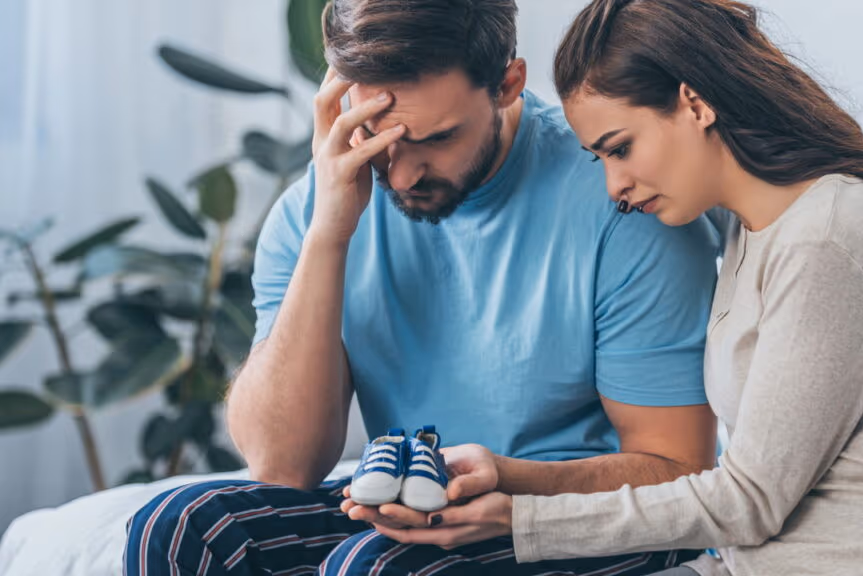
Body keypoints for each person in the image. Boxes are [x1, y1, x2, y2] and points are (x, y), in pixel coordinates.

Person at [362, 1, 863, 575]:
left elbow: (748, 502)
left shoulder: (829, 238)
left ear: (694, 103)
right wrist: (505, 478)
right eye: (598, 159)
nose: (612, 186)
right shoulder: (750, 235)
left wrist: (519, 519)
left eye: (620, 148)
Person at [122, 0, 722, 574]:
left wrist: (508, 483)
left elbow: (677, 469)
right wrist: (330, 231)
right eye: (380, 141)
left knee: (376, 568)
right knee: (177, 527)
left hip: (570, 513)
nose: (402, 174)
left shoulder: (623, 199)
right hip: (410, 510)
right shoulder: (318, 207)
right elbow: (283, 465)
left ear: (508, 84)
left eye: (436, 139)